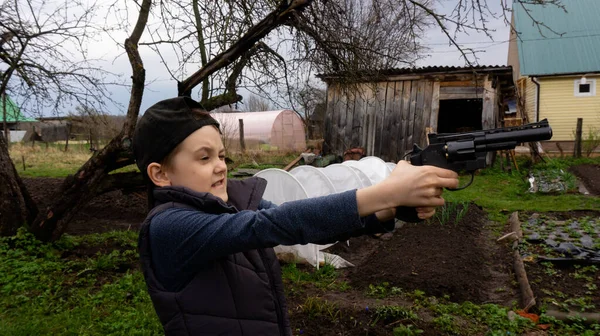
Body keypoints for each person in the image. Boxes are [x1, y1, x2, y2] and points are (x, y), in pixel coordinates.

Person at [132, 96, 459, 336]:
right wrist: (385, 191)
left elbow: (306, 229)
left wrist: (385, 210)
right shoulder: (168, 226)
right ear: (160, 174)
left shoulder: (230, 200)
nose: (220, 165)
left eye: (221, 154)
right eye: (204, 158)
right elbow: (275, 225)